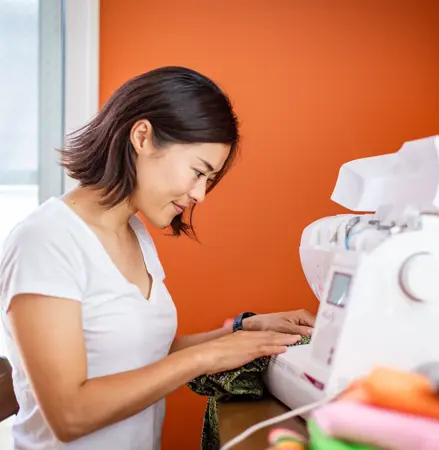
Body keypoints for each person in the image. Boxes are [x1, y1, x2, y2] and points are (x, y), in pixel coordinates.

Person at [0, 66, 315, 450]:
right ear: (143, 136)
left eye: (209, 181)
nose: (200, 195)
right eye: (198, 172)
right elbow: (70, 415)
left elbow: (137, 355)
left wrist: (243, 332)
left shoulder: (135, 233)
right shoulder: (46, 240)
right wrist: (208, 357)